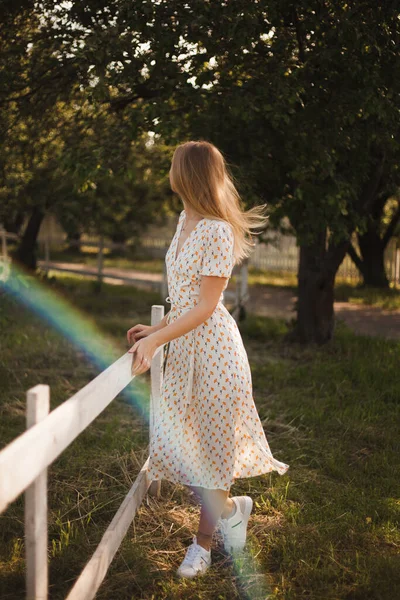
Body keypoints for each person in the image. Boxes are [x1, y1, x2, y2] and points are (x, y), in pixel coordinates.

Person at [127, 140, 289, 579]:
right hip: (185, 346)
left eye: (175, 164)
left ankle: (202, 545)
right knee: (184, 446)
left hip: (214, 351)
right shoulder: (185, 219)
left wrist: (158, 339)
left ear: (188, 173)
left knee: (211, 449)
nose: (169, 170)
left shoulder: (217, 229)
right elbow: (184, 297)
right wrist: (155, 330)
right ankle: (234, 510)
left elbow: (205, 307)